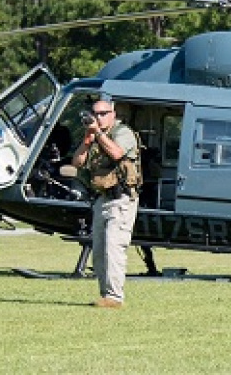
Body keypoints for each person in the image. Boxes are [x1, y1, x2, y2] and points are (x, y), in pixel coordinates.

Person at [72, 100, 140, 309]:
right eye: (95, 114)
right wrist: (87, 139)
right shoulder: (93, 136)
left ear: (113, 113)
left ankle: (115, 297)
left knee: (114, 247)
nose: (99, 117)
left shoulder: (122, 132)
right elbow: (77, 162)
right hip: (102, 199)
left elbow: (118, 153)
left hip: (121, 199)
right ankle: (105, 295)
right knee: (100, 251)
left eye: (103, 113)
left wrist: (99, 136)